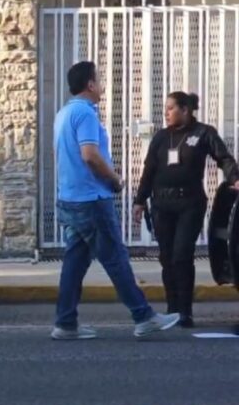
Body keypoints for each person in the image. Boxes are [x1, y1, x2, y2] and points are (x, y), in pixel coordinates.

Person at [51, 61, 180, 340]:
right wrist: (115, 179)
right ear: (90, 84)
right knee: (116, 259)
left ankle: (65, 323)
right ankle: (143, 316)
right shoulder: (85, 114)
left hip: (70, 199)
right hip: (92, 199)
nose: (103, 85)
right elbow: (89, 154)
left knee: (75, 261)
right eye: (100, 80)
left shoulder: (63, 114)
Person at [132, 92, 239, 328]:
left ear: (185, 110)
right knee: (167, 257)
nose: (166, 113)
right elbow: (149, 170)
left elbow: (223, 158)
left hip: (189, 204)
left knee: (182, 254)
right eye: (166, 109)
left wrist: (235, 179)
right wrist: (139, 201)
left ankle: (185, 311)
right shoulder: (161, 137)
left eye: (171, 108)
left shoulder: (203, 133)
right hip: (162, 205)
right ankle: (172, 308)